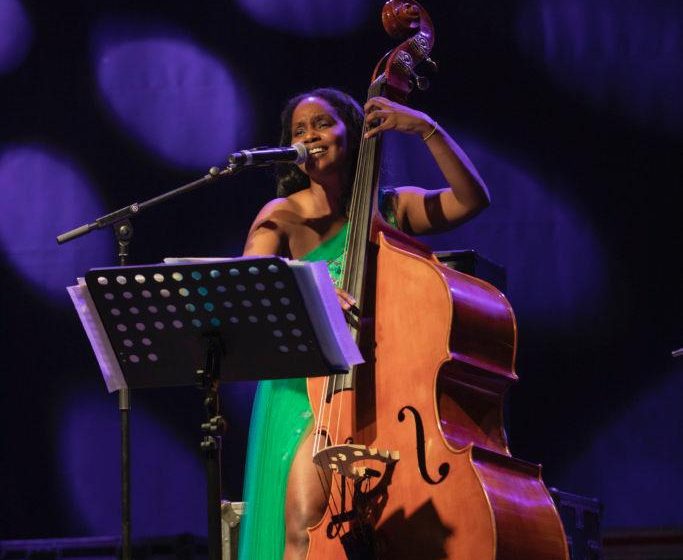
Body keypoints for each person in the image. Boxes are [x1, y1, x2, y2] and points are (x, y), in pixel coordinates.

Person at [238, 87, 490, 560]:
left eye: (321, 124)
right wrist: (309, 290)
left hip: (385, 390)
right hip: (307, 391)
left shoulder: (392, 210)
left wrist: (425, 128)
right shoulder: (281, 215)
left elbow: (471, 199)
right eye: (299, 130)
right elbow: (252, 280)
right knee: (305, 520)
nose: (310, 136)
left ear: (352, 134)